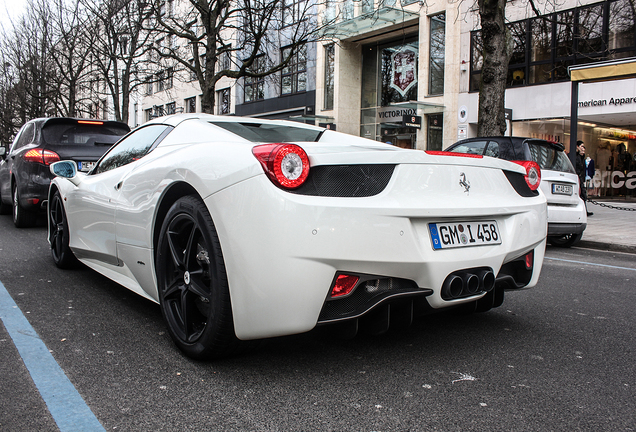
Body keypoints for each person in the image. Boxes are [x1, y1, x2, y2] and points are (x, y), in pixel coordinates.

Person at [576, 140, 593, 216]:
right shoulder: (574, 156)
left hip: (580, 177)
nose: (583, 148)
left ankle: (584, 210)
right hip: (576, 177)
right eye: (581, 146)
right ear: (577, 147)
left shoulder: (581, 156)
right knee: (581, 193)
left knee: (583, 193)